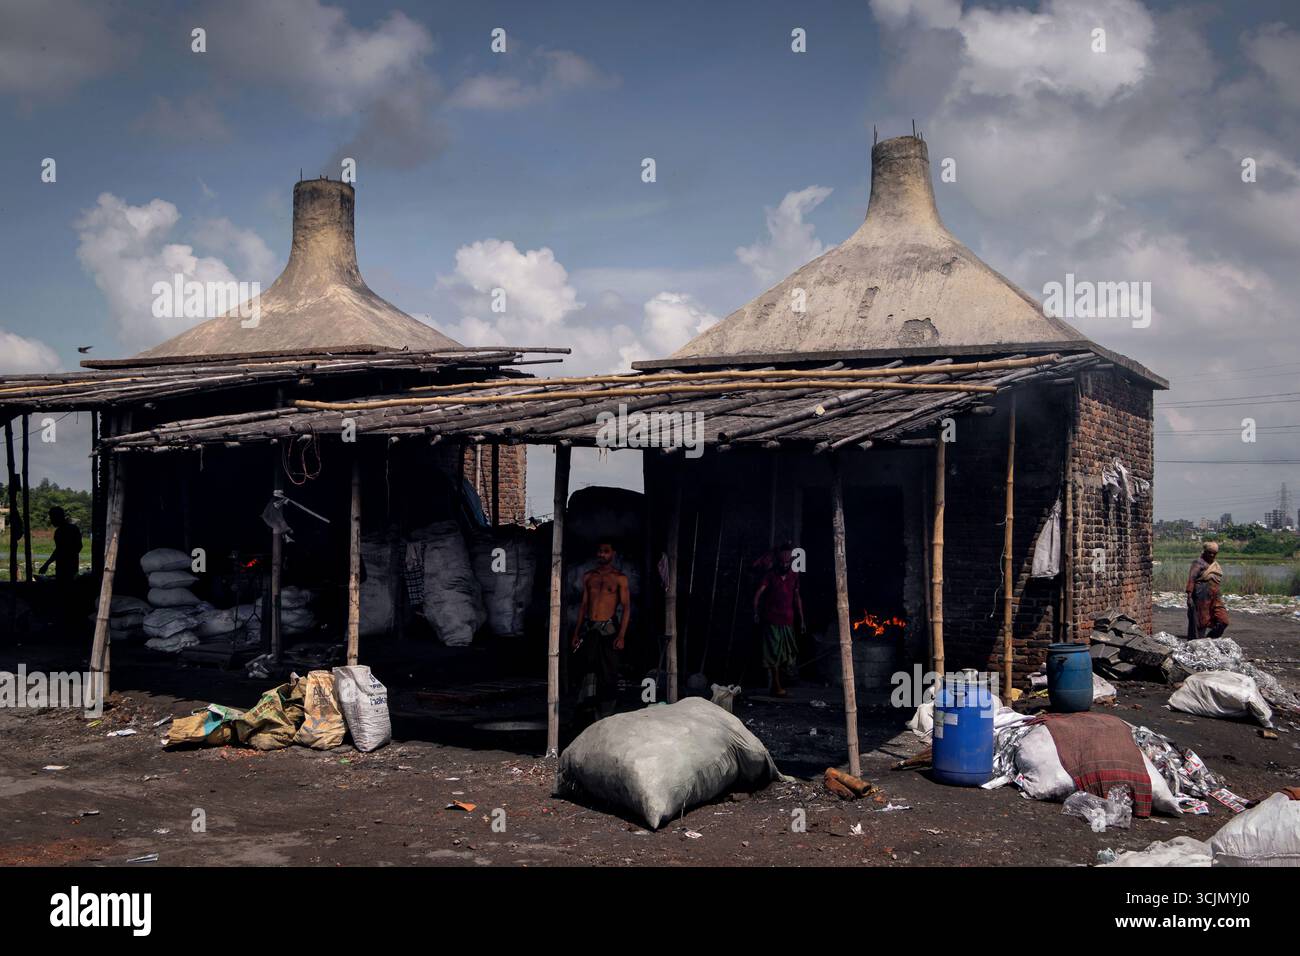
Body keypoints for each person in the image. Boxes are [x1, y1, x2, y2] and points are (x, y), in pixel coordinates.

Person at [571, 541, 631, 720]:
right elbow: (583, 606)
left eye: (606, 551)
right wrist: (576, 632)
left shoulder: (620, 578)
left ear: (613, 553)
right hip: (591, 630)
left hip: (609, 630)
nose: (602, 555)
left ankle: (607, 712)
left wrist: (621, 635)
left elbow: (626, 607)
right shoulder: (589, 577)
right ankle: (588, 709)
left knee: (608, 672)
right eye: (599, 551)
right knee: (588, 667)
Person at [753, 542, 804, 697]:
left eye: (788, 558)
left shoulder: (794, 576)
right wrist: (755, 612)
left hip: (788, 620)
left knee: (787, 655)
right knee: (773, 654)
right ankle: (776, 687)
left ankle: (777, 686)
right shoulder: (770, 575)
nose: (785, 561)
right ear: (778, 559)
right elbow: (758, 595)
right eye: (783, 558)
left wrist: (802, 620)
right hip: (772, 620)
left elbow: (797, 598)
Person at [1185, 541, 1228, 640]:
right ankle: (1197, 642)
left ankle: (1210, 639)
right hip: (1201, 596)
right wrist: (1189, 596)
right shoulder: (1198, 563)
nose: (1212, 555)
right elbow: (1191, 579)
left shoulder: (1214, 564)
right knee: (1201, 621)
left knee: (1223, 620)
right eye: (1210, 552)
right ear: (1205, 551)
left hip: (1215, 596)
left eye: (1214, 553)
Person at [39, 506, 83, 585]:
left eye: (52, 518)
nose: (51, 521)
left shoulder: (59, 532)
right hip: (73, 566)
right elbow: (79, 547)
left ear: (57, 517)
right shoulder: (74, 529)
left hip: (63, 568)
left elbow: (59, 550)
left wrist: (46, 564)